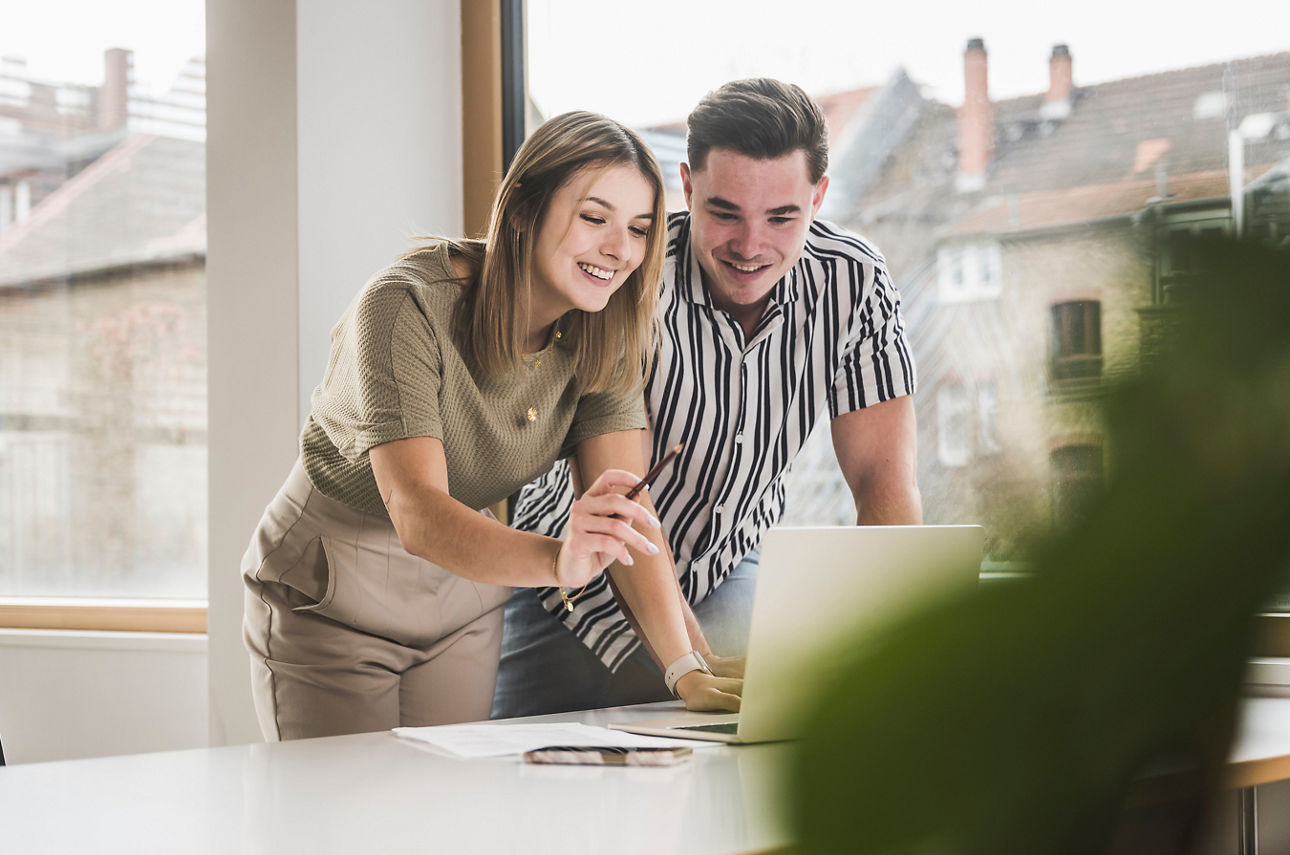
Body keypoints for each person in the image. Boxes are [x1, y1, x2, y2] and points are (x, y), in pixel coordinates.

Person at [241, 111, 741, 742]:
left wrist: (685, 669)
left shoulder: (610, 332)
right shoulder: (405, 304)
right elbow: (418, 513)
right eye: (594, 218)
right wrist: (562, 560)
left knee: (446, 821)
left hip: (467, 599)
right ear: (524, 210)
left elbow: (627, 517)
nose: (620, 250)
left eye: (639, 229)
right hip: (334, 590)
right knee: (345, 826)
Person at [493, 79, 922, 719]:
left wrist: (895, 648)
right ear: (687, 188)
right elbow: (623, 497)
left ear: (819, 196)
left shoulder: (853, 283)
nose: (751, 248)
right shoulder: (630, 274)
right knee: (523, 785)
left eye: (782, 217)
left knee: (732, 781)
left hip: (725, 562)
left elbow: (882, 482)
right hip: (576, 577)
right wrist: (693, 667)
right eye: (725, 213)